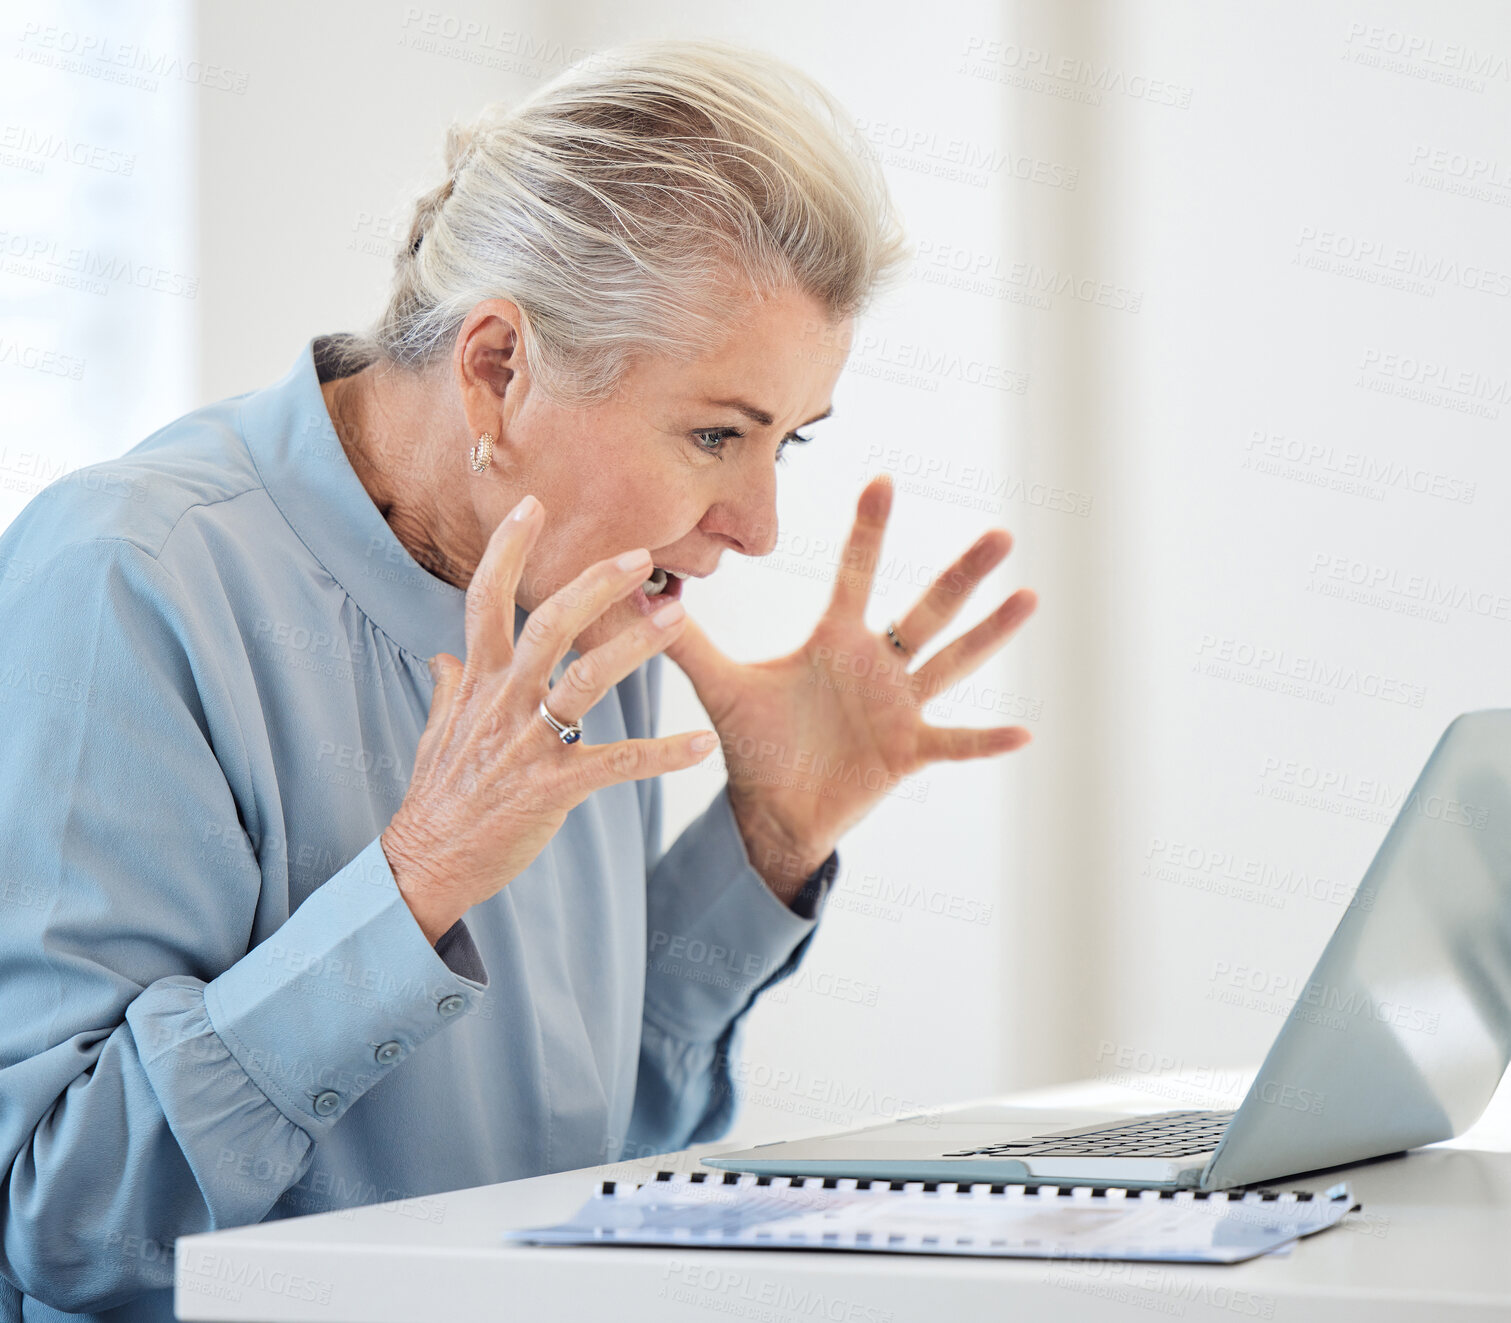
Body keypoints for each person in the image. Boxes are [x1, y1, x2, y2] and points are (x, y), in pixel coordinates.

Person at [0, 38, 1036, 1320]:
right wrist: (418, 876)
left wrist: (764, 842)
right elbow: (64, 1230)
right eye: (716, 434)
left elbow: (579, 1164)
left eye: (787, 442)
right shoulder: (127, 578)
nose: (758, 527)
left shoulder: (577, 587)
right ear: (497, 368)